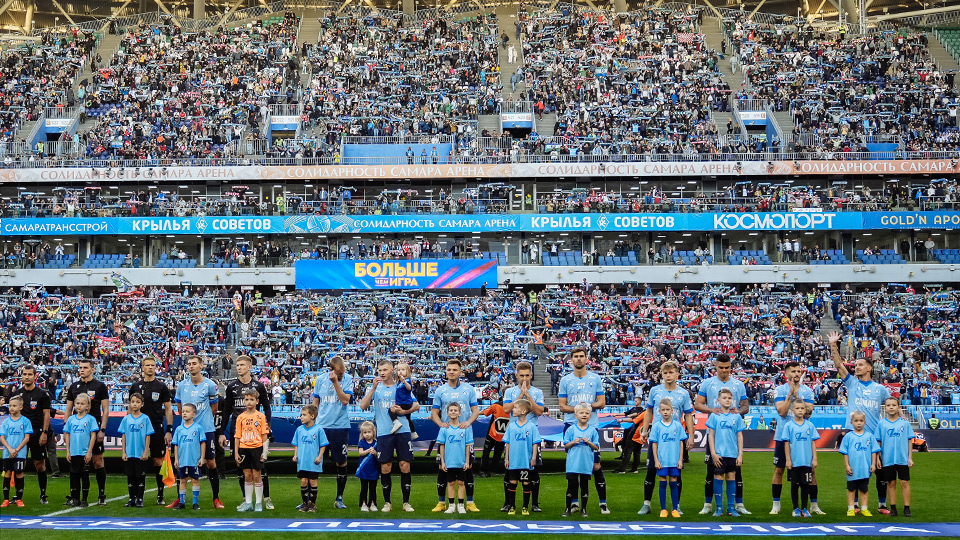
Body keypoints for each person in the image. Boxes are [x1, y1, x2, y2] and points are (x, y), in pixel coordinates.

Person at [828, 331, 891, 513]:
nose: (857, 367)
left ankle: (881, 504)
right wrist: (833, 344)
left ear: (869, 368)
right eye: (856, 365)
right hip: (853, 433)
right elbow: (839, 366)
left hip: (874, 434)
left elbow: (891, 407)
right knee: (854, 469)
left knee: (880, 469)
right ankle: (854, 505)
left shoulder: (880, 389)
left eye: (861, 365)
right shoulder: (852, 384)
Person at [359, 359, 418, 512]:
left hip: (403, 430)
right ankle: (387, 503)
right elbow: (363, 406)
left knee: (405, 465)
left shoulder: (401, 386)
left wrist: (403, 412)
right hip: (384, 432)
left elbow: (416, 405)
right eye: (380, 370)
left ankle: (406, 502)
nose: (382, 372)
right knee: (385, 467)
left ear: (393, 370)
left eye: (385, 369)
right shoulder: (375, 388)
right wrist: (372, 389)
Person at [695, 353, 750, 515]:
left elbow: (746, 406)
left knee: (735, 471)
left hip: (731, 434)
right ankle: (708, 504)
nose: (724, 371)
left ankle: (738, 505)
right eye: (721, 368)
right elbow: (698, 404)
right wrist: (712, 410)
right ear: (716, 367)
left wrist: (738, 411)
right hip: (715, 432)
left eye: (727, 368)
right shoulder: (707, 383)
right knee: (712, 469)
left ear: (730, 367)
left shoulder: (738, 385)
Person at [638, 360, 694, 516]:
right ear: (661, 375)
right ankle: (646, 503)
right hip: (658, 438)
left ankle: (677, 505)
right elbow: (648, 411)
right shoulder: (655, 391)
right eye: (665, 373)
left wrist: (691, 435)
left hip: (676, 439)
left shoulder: (683, 393)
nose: (668, 375)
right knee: (651, 470)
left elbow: (688, 415)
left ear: (677, 374)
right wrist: (645, 430)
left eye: (671, 372)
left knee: (677, 471)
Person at [557, 347, 608, 514]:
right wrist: (578, 410)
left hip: (591, 426)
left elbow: (601, 402)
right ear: (571, 360)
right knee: (574, 466)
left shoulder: (595, 378)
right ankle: (574, 502)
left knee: (596, 465)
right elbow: (562, 406)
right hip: (571, 426)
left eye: (581, 356)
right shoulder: (565, 380)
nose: (578, 359)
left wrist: (585, 409)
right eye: (575, 357)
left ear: (587, 359)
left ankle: (602, 503)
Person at [221, 355, 274, 509]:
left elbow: (267, 406)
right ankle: (247, 499)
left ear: (249, 367)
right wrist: (223, 432)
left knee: (260, 468)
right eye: (237, 365)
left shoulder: (258, 386)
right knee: (241, 468)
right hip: (239, 432)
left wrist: (268, 425)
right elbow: (226, 411)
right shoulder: (231, 387)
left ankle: (266, 498)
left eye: (242, 365)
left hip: (256, 432)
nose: (239, 367)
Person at [430, 359, 480, 512]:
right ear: (446, 371)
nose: (451, 372)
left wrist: (468, 422)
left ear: (460, 372)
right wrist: (441, 425)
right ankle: (442, 502)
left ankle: (470, 502)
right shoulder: (440, 391)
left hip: (465, 436)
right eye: (449, 369)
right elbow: (434, 413)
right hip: (447, 436)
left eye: (454, 369)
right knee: (442, 467)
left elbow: (476, 411)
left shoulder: (469, 389)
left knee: (467, 467)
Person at [175, 355, 223, 508]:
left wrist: (201, 422)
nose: (191, 366)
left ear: (201, 366)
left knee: (210, 462)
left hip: (206, 430)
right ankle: (180, 499)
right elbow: (180, 408)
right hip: (186, 430)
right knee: (182, 463)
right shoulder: (182, 386)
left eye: (194, 364)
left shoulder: (209, 385)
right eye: (189, 364)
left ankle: (216, 498)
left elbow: (214, 409)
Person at [770, 360, 815, 515]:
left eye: (798, 371)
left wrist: (796, 396)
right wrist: (789, 396)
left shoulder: (807, 391)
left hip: (803, 437)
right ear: (786, 373)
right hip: (783, 437)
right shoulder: (780, 390)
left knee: (810, 471)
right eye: (793, 371)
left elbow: (809, 413)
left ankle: (813, 505)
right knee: (779, 470)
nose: (796, 374)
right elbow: (782, 412)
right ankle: (776, 504)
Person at [129, 357, 174, 506]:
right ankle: (135, 496)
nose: (150, 368)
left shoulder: (161, 386)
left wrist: (169, 430)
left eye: (152, 365)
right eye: (147, 365)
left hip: (156, 427)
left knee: (158, 461)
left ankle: (160, 494)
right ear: (142, 367)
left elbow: (168, 409)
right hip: (138, 428)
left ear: (156, 367)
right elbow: (130, 407)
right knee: (136, 460)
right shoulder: (135, 386)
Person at [64, 358, 110, 506]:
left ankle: (101, 493)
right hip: (78, 430)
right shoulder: (74, 386)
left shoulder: (100, 386)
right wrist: (66, 429)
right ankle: (75, 496)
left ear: (93, 369)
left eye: (85, 367)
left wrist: (102, 429)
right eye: (80, 367)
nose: (82, 370)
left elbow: (106, 410)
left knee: (97, 461)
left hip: (94, 428)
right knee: (77, 465)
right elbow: (68, 409)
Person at [502, 361, 546, 510]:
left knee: (533, 470)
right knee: (510, 471)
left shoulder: (537, 392)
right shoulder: (510, 391)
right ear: (516, 375)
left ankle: (534, 503)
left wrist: (528, 396)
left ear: (531, 375)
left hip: (531, 435)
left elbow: (540, 411)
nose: (525, 378)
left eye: (527, 375)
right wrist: (521, 394)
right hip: (514, 434)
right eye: (522, 375)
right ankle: (508, 503)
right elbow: (507, 409)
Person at [312, 355, 353, 508]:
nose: (341, 375)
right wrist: (312, 421)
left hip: (340, 426)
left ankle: (339, 498)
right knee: (313, 461)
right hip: (322, 426)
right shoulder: (320, 380)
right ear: (331, 370)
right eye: (339, 373)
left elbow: (344, 400)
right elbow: (316, 402)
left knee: (341, 462)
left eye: (342, 373)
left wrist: (336, 382)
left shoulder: (348, 379)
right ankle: (309, 498)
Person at [12, 364, 52, 504]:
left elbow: (46, 415)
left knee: (39, 464)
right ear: (21, 376)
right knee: (18, 464)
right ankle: (18, 496)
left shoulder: (42, 394)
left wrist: (44, 433)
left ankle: (43, 495)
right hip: (21, 434)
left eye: (30, 374)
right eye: (24, 374)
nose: (27, 377)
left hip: (37, 432)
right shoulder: (17, 393)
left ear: (35, 376)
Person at [706, 388, 746, 517]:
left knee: (731, 478)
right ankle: (718, 508)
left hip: (732, 454)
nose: (727, 400)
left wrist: (740, 454)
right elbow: (710, 436)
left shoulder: (736, 416)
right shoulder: (714, 415)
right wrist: (713, 453)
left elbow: (740, 436)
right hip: (719, 454)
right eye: (724, 398)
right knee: (718, 477)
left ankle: (731, 508)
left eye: (729, 398)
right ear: (718, 400)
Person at [876, 397, 915, 517]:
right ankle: (893, 507)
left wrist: (910, 457)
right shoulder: (881, 424)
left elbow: (910, 441)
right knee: (891, 483)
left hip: (902, 458)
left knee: (904, 482)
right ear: (885, 408)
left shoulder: (905, 423)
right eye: (888, 405)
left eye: (894, 405)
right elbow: (878, 442)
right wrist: (878, 458)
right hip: (887, 459)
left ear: (898, 407)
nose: (891, 407)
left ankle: (907, 507)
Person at [502, 398, 541, 516]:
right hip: (514, 461)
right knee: (513, 482)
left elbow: (535, 443)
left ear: (523, 411)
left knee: (526, 483)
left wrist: (534, 457)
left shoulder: (532, 426)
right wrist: (506, 458)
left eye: (515, 408)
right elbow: (507, 443)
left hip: (526, 461)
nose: (513, 409)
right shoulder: (511, 426)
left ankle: (525, 507)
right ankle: (512, 506)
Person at [782, 399, 820, 518]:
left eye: (802, 408)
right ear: (792, 410)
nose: (800, 410)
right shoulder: (789, 426)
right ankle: (795, 508)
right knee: (795, 484)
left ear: (805, 410)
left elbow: (813, 443)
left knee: (805, 485)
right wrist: (788, 459)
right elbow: (786, 443)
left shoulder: (810, 425)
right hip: (794, 461)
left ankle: (804, 508)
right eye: (797, 408)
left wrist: (814, 459)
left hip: (806, 461)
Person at [649, 398, 686, 519]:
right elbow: (654, 443)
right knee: (663, 481)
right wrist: (656, 460)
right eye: (663, 410)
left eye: (667, 409)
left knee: (674, 482)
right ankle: (663, 509)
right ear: (659, 411)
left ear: (672, 410)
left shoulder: (677, 425)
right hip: (663, 460)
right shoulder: (656, 426)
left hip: (674, 460)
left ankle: (675, 508)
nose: (665, 412)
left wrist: (680, 459)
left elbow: (681, 443)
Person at [838, 410, 879, 517]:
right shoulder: (848, 437)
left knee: (864, 490)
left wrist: (873, 464)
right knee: (851, 489)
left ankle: (864, 508)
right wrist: (846, 465)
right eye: (856, 421)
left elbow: (874, 451)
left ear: (865, 422)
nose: (859, 423)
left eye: (861, 421)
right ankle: (851, 508)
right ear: (851, 423)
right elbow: (845, 452)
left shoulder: (869, 436)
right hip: (852, 468)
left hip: (865, 468)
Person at [235, 389, 270, 512]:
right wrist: (236, 453)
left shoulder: (260, 417)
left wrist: (264, 452)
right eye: (246, 399)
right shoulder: (240, 417)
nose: (249, 402)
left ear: (257, 401)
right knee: (247, 476)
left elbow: (265, 435)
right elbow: (237, 437)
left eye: (251, 399)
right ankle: (248, 503)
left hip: (257, 448)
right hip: (244, 449)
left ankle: (259, 503)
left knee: (257, 476)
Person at [562, 403, 599, 517]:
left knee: (584, 485)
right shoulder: (571, 429)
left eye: (587, 413)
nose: (584, 415)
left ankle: (584, 509)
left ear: (590, 416)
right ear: (575, 415)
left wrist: (588, 442)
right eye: (581, 413)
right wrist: (574, 442)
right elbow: (566, 445)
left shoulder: (592, 430)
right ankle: (568, 508)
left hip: (586, 462)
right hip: (573, 462)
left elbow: (596, 447)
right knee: (572, 485)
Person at [118, 393, 154, 508]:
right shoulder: (126, 419)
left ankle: (140, 498)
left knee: (140, 476)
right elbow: (123, 436)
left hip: (140, 453)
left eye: (138, 402)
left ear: (142, 404)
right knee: (130, 476)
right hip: (129, 453)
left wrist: (146, 451)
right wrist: (123, 452)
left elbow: (148, 435)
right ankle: (131, 498)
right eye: (133, 401)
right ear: (130, 403)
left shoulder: (145, 418)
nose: (135, 404)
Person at [292, 404, 328, 513]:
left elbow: (323, 445)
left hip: (313, 462)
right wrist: (295, 455)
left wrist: (320, 456)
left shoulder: (319, 430)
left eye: (304, 415)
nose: (301, 417)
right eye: (301, 415)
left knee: (313, 482)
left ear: (312, 416)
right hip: (302, 461)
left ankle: (312, 504)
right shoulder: (299, 430)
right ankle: (305, 504)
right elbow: (296, 444)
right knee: (303, 481)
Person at [63, 393, 97, 508]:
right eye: (77, 403)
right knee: (74, 476)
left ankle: (84, 499)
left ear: (87, 406)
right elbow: (67, 434)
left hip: (84, 453)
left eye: (82, 404)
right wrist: (68, 451)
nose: (79, 406)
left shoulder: (91, 419)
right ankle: (75, 498)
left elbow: (93, 436)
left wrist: (89, 452)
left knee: (85, 475)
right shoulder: (71, 419)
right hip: (74, 452)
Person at [171, 403, 206, 510]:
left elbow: (202, 443)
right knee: (182, 480)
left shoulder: (198, 428)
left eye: (187, 411)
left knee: (195, 480)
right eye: (183, 411)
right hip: (182, 460)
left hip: (194, 460)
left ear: (194, 414)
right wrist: (176, 459)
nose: (184, 413)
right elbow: (176, 445)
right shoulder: (179, 429)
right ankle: (182, 502)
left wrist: (202, 457)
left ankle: (195, 503)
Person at [438, 402, 471, 515]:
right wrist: (443, 461)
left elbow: (468, 446)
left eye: (455, 410)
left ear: (460, 413)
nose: (453, 412)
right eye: (451, 410)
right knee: (451, 483)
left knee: (461, 483)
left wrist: (467, 461)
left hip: (461, 462)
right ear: (447, 413)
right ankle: (451, 505)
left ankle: (461, 505)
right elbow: (441, 445)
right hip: (449, 461)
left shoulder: (465, 429)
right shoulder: (444, 429)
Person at [1, 396, 32, 507]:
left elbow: (27, 437)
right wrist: (10, 449)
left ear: (20, 407)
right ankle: (5, 499)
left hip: (20, 453)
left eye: (14, 406)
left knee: (19, 473)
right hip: (7, 453)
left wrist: (17, 450)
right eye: (10, 406)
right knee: (8, 473)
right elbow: (2, 438)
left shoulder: (25, 421)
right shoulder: (5, 422)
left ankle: (19, 499)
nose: (11, 408)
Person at [479, 397, 509, 478]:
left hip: (496, 434)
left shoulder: (497, 405)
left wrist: (476, 413)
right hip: (499, 435)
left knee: (488, 452)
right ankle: (490, 470)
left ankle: (484, 470)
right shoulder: (512, 407)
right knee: (495, 454)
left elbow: (485, 412)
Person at [615, 396, 644, 474]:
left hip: (635, 432)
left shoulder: (643, 412)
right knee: (637, 451)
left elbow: (634, 420)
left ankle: (622, 469)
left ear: (640, 401)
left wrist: (622, 420)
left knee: (628, 450)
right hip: (642, 433)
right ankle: (634, 468)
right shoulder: (647, 412)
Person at [356, 421, 379, 511]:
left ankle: (373, 503)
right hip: (364, 469)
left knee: (373, 488)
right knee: (364, 487)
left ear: (373, 432)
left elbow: (378, 455)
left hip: (374, 470)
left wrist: (375, 453)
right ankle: (363, 503)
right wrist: (368, 451)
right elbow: (361, 453)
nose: (367, 434)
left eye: (369, 432)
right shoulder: (362, 442)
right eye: (365, 433)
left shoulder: (376, 443)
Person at [391, 363, 417, 438]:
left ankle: (396, 422)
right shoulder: (399, 382)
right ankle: (413, 432)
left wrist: (404, 382)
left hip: (404, 402)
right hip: (404, 402)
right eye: (399, 370)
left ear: (407, 371)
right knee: (408, 418)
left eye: (403, 370)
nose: (400, 372)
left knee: (391, 410)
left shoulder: (406, 380)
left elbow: (409, 388)